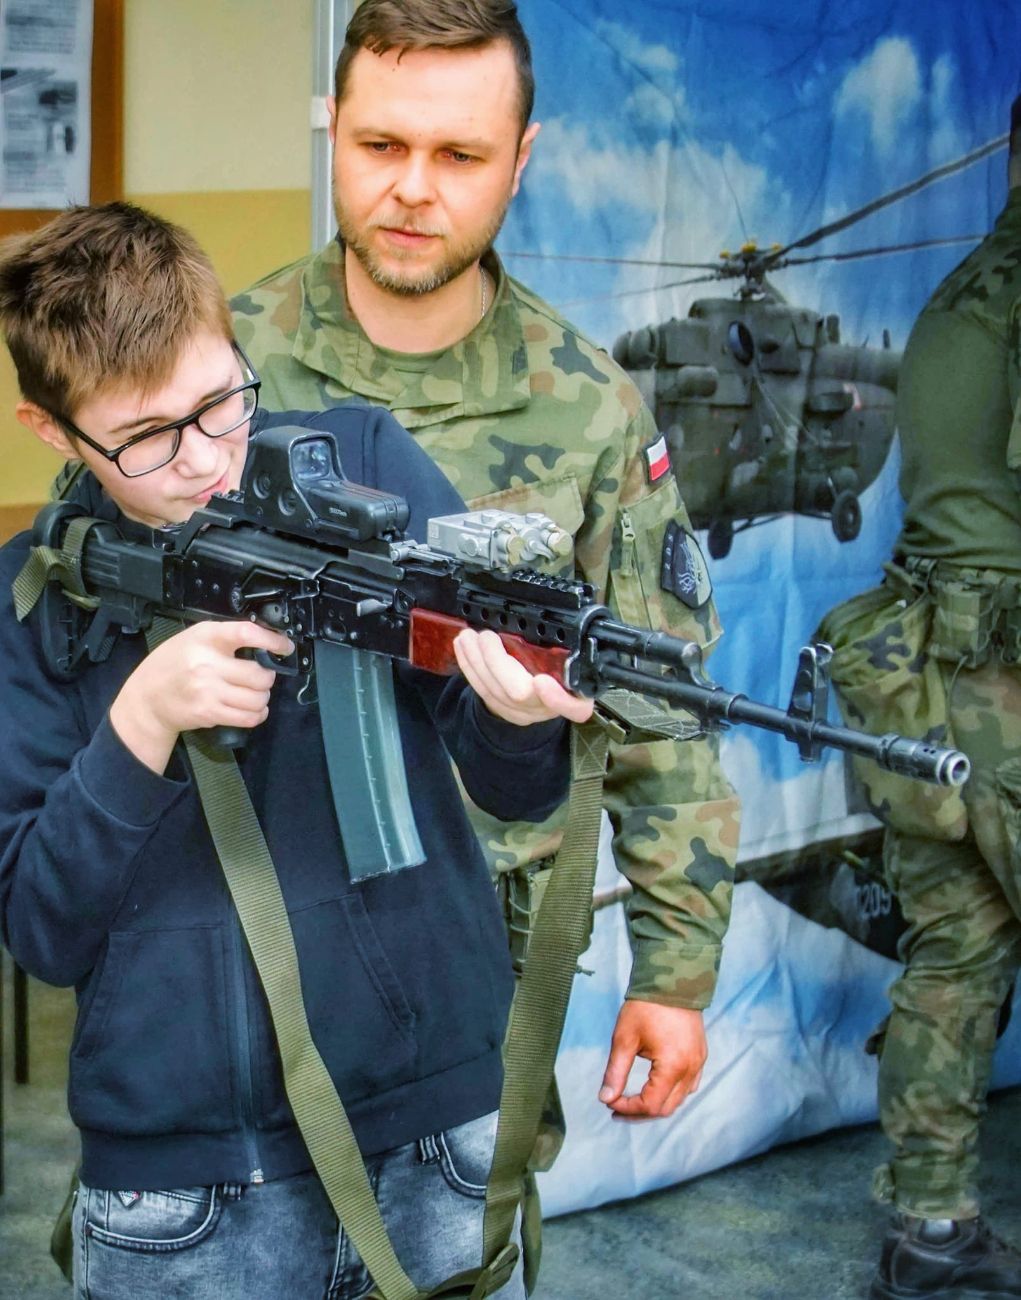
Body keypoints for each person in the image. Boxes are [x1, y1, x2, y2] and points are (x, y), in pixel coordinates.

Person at [0, 201, 592, 1299]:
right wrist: (139, 726)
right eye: (144, 438)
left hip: (435, 1129)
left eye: (220, 402)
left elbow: (508, 780)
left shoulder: (362, 460)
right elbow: (39, 925)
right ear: (52, 430)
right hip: (182, 1190)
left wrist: (519, 713)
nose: (203, 464)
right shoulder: (27, 603)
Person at [233, 0, 740, 1137]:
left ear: (521, 159)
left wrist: (673, 970)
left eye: (459, 153)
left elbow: (665, 698)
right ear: (332, 133)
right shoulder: (222, 360)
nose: (414, 188)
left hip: (481, 918)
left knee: (461, 1235)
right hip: (244, 898)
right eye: (380, 146)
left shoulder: (587, 402)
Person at [827, 97, 1021, 1300]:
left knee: (956, 948)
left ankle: (932, 1228)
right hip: (1000, 682)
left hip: (927, 681)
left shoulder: (964, 293)